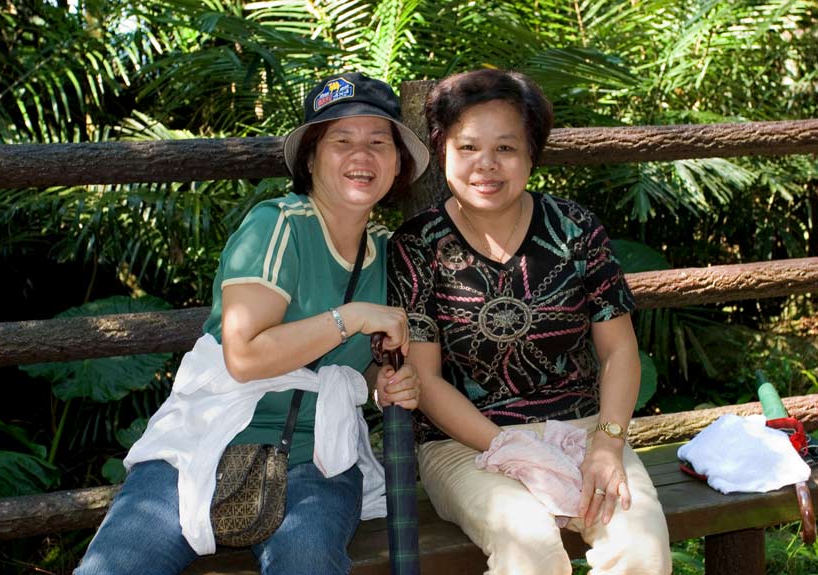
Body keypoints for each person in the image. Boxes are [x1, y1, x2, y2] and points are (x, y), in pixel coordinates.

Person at [75, 71, 430, 575]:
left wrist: (384, 383)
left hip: (317, 456)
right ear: (311, 158)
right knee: (117, 567)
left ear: (398, 163)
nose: (362, 155)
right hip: (207, 438)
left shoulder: (387, 253)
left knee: (307, 562)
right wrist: (349, 318)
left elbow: (357, 362)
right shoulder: (278, 224)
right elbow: (244, 356)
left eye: (379, 142)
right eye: (341, 141)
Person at [387, 68, 672, 575]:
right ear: (442, 150)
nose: (486, 165)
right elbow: (425, 380)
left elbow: (619, 350)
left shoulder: (574, 229)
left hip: (582, 428)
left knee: (640, 549)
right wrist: (509, 447)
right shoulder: (417, 244)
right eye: (468, 147)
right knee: (529, 548)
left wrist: (608, 443)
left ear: (531, 154)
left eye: (506, 148)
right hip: (465, 442)